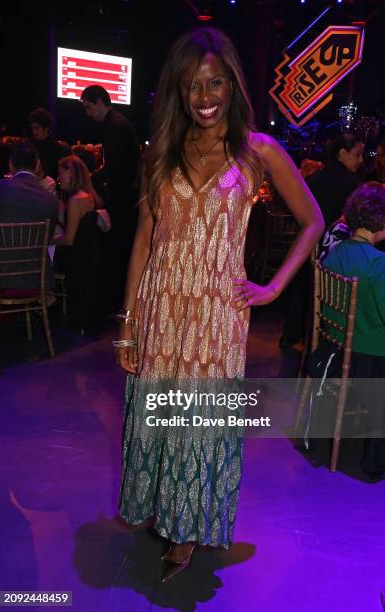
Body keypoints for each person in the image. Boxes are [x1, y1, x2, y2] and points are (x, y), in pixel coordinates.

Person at [115, 26, 324, 582]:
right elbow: (142, 239)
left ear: (232, 84)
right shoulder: (162, 150)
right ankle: (167, 514)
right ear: (178, 93)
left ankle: (187, 534)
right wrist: (128, 325)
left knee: (200, 426)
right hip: (161, 308)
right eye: (190, 87)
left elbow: (313, 222)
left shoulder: (258, 150)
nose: (203, 98)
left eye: (214, 83)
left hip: (216, 316)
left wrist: (273, 287)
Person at [318, 183, 385, 477]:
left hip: (335, 350)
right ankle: (376, 461)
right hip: (368, 357)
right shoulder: (378, 263)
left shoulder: (335, 253)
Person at [80, 85, 141, 310]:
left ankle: (118, 304)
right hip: (127, 197)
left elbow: (116, 170)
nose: (87, 113)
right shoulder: (117, 123)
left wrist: (92, 182)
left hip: (124, 200)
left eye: (88, 107)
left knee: (118, 253)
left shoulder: (113, 127)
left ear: (98, 103)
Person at [0, 141, 59, 290]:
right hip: (36, 278)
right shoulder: (51, 200)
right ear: (37, 165)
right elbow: (48, 240)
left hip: (0, 275)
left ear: (10, 165)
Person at [54, 155, 107, 330]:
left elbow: (69, 239)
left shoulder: (76, 200)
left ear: (72, 174)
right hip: (90, 255)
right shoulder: (90, 197)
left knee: (45, 257)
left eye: (61, 174)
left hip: (78, 258)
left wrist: (51, 241)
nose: (58, 178)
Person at [307, 133, 364, 229]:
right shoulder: (352, 183)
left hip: (313, 239)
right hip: (339, 240)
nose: (361, 160)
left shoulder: (313, 178)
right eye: (358, 155)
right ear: (342, 153)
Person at [28, 108, 69, 180]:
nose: (33, 132)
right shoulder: (29, 145)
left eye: (37, 128)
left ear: (46, 129)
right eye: (32, 128)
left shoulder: (57, 148)